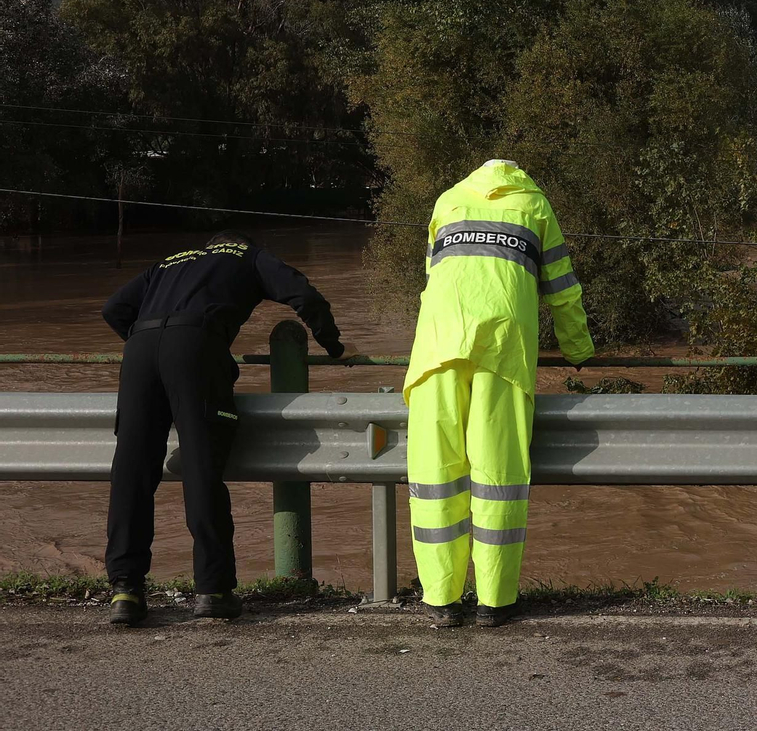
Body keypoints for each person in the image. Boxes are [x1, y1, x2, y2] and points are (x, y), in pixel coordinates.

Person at [100, 231, 357, 626]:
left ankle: (125, 590)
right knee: (201, 469)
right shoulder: (249, 257)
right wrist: (334, 344)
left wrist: (151, 344)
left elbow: (114, 308)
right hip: (195, 346)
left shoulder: (171, 260)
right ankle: (212, 589)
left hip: (140, 348)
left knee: (131, 472)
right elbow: (303, 295)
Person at [403, 159, 594, 628]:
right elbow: (562, 289)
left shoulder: (448, 201)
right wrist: (578, 350)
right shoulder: (535, 205)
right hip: (503, 348)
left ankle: (441, 601)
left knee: (434, 475)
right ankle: (495, 602)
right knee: (498, 475)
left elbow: (433, 276)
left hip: (437, 344)